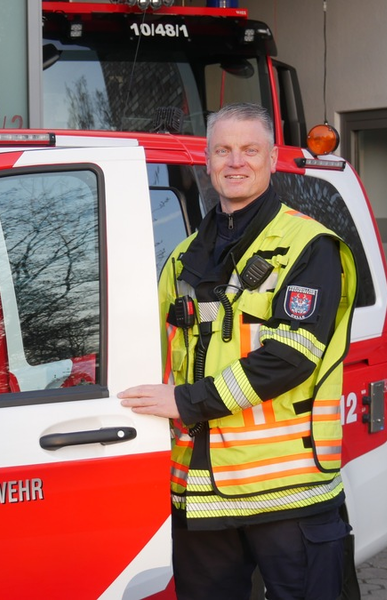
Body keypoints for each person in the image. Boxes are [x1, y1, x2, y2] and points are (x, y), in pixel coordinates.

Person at [118, 102, 358, 600]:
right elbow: (153, 347)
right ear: (206, 162)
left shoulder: (308, 245)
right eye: (223, 150)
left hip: (288, 491)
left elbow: (290, 357)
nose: (236, 161)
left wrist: (185, 402)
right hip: (201, 493)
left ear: (272, 159)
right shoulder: (183, 256)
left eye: (250, 150)